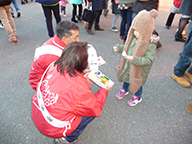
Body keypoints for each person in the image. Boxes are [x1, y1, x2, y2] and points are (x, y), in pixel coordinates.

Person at [31, 41, 114, 144]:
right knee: (89, 113)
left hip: (38, 111)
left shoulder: (55, 65)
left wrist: (82, 76)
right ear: (82, 64)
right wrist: (104, 90)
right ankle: (67, 139)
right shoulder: (79, 88)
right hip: (52, 126)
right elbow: (95, 108)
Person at [113, 9, 158, 106]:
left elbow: (149, 60)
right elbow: (127, 47)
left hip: (139, 70)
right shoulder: (134, 38)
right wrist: (120, 48)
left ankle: (138, 96)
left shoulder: (150, 45)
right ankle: (125, 89)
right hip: (128, 65)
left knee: (137, 82)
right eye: (134, 30)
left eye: (139, 31)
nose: (135, 33)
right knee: (126, 78)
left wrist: (134, 59)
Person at [29, 20, 79, 91]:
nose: (78, 40)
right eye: (75, 37)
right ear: (64, 38)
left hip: (43, 79)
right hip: (45, 86)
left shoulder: (55, 40)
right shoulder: (54, 58)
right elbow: (61, 79)